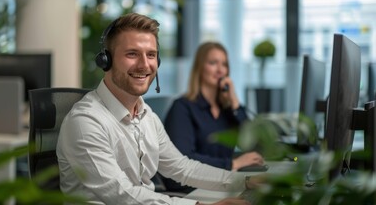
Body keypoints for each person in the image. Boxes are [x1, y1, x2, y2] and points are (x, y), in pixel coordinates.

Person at [56, 13, 261, 205]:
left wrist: (243, 182)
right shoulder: (85, 121)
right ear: (106, 61)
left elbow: (182, 167)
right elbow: (122, 194)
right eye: (132, 54)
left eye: (151, 55)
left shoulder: (147, 117)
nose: (144, 65)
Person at [163, 42, 264, 192]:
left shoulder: (227, 111)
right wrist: (231, 164)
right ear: (200, 68)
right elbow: (182, 161)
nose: (220, 70)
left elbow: (256, 145)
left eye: (224, 64)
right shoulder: (182, 108)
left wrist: (235, 103)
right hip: (191, 190)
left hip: (221, 186)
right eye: (213, 63)